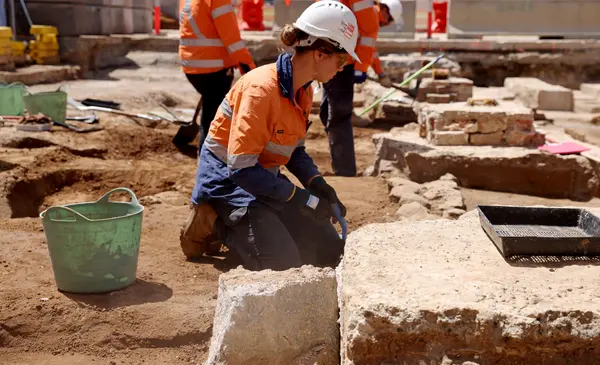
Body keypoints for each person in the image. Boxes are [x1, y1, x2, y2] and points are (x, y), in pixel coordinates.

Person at [181, 0, 359, 271]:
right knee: (279, 264)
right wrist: (302, 198)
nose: (342, 67)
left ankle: (263, 218)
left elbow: (294, 151)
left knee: (326, 248)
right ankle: (212, 219)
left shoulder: (304, 90)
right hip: (229, 182)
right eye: (342, 59)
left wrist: (316, 184)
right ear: (320, 53)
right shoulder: (261, 90)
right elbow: (240, 169)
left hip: (263, 178)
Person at [175, 0, 257, 149]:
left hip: (191, 65)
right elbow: (231, 38)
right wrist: (247, 64)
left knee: (211, 107)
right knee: (216, 117)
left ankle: (207, 153)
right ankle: (210, 159)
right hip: (214, 67)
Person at [318, 0, 379, 177]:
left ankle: (345, 171)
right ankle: (342, 165)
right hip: (328, 59)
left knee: (338, 116)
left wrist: (361, 67)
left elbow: (369, 31)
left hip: (344, 63)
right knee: (326, 113)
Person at [371, 0, 404, 88]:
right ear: (385, 10)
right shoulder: (371, 19)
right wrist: (359, 71)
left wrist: (380, 74)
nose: (387, 23)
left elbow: (371, 51)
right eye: (389, 19)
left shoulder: (370, 13)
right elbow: (367, 49)